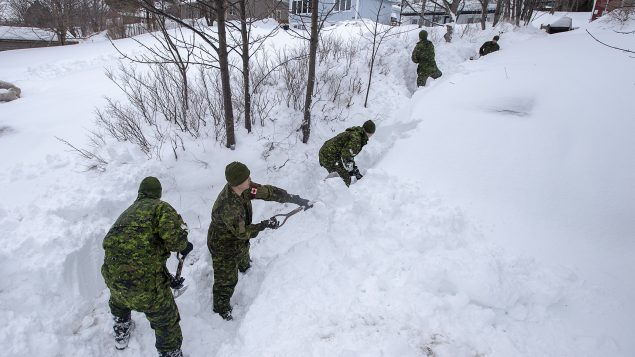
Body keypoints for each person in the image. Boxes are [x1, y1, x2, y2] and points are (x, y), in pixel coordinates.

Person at [101, 177, 193, 357]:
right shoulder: (160, 208)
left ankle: (121, 330)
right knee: (166, 320)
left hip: (114, 280)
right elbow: (174, 240)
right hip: (146, 287)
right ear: (158, 194)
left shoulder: (125, 214)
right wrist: (184, 245)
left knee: (119, 300)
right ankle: (170, 353)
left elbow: (141, 257)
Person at [207, 162, 311, 320]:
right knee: (227, 280)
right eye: (246, 177)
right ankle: (221, 308)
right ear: (236, 183)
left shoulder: (245, 188)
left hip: (239, 239)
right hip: (223, 245)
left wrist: (293, 199)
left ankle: (245, 267)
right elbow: (243, 233)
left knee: (243, 254)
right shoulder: (229, 206)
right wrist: (265, 225)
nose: (250, 178)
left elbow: (267, 192)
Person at [319, 120, 375, 186]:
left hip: (331, 153)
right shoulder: (357, 139)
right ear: (370, 133)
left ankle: (325, 189)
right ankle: (323, 190)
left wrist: (353, 169)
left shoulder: (358, 135)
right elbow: (346, 155)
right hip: (329, 155)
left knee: (340, 176)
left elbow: (349, 154)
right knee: (343, 179)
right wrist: (353, 170)